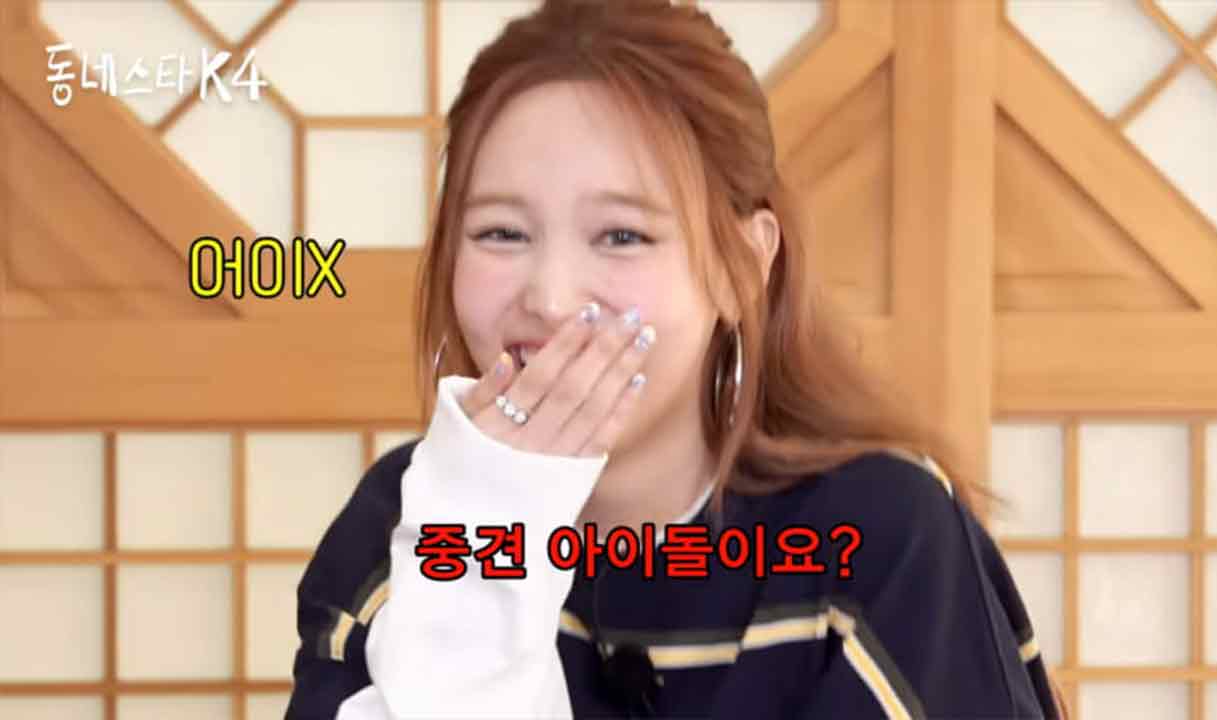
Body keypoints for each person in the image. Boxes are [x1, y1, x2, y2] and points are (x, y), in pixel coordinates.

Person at [286, 1, 1065, 718]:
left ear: (742, 266)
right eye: (501, 233)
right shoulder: (408, 521)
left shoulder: (880, 532)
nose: (551, 299)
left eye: (622, 235)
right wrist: (486, 543)